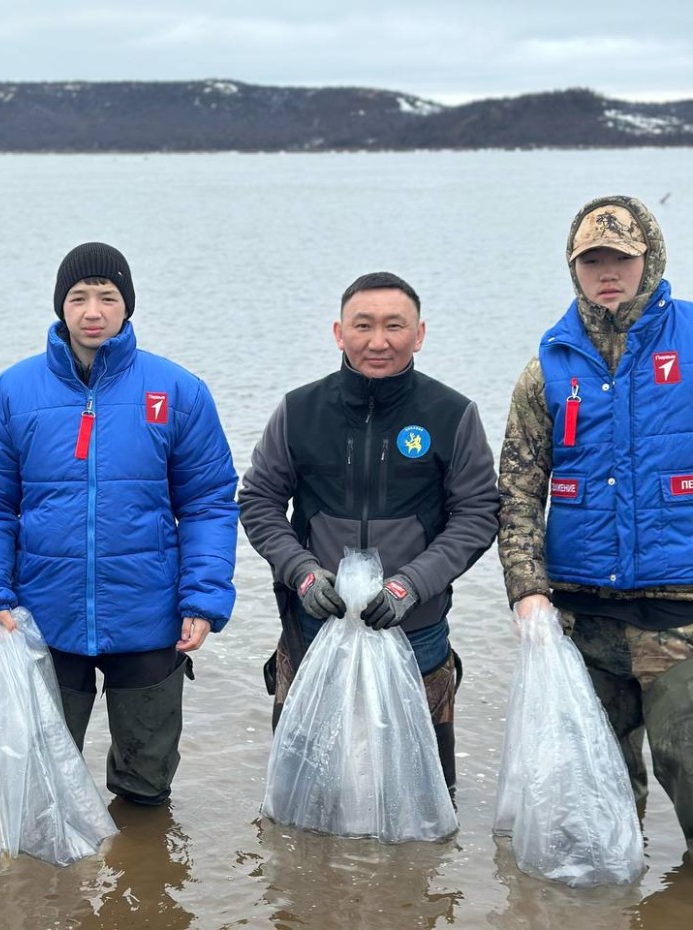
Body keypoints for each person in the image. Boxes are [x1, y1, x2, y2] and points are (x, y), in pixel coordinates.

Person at [0, 242, 239, 806]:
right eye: (79, 297)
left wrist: (202, 599)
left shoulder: (178, 391)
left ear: (126, 306)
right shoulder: (11, 393)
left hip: (150, 616)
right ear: (60, 306)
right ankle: (49, 892)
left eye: (107, 297)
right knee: (40, 786)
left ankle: (144, 879)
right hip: (43, 616)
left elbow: (208, 502)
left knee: (147, 783)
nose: (93, 311)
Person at [238, 271, 499, 793]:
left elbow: (477, 514)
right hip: (314, 631)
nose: (378, 341)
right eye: (363, 326)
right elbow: (259, 501)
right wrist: (303, 574)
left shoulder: (452, 414)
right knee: (303, 800)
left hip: (416, 632)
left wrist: (410, 585)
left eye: (394, 326)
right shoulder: (299, 410)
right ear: (339, 332)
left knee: (421, 799)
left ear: (419, 334)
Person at [499, 195, 693, 852]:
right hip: (583, 618)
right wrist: (526, 588)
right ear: (574, 268)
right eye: (592, 261)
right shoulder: (548, 365)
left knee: (686, 760)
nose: (607, 272)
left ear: (650, 259)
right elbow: (519, 489)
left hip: (680, 611)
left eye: (621, 258)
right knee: (597, 787)